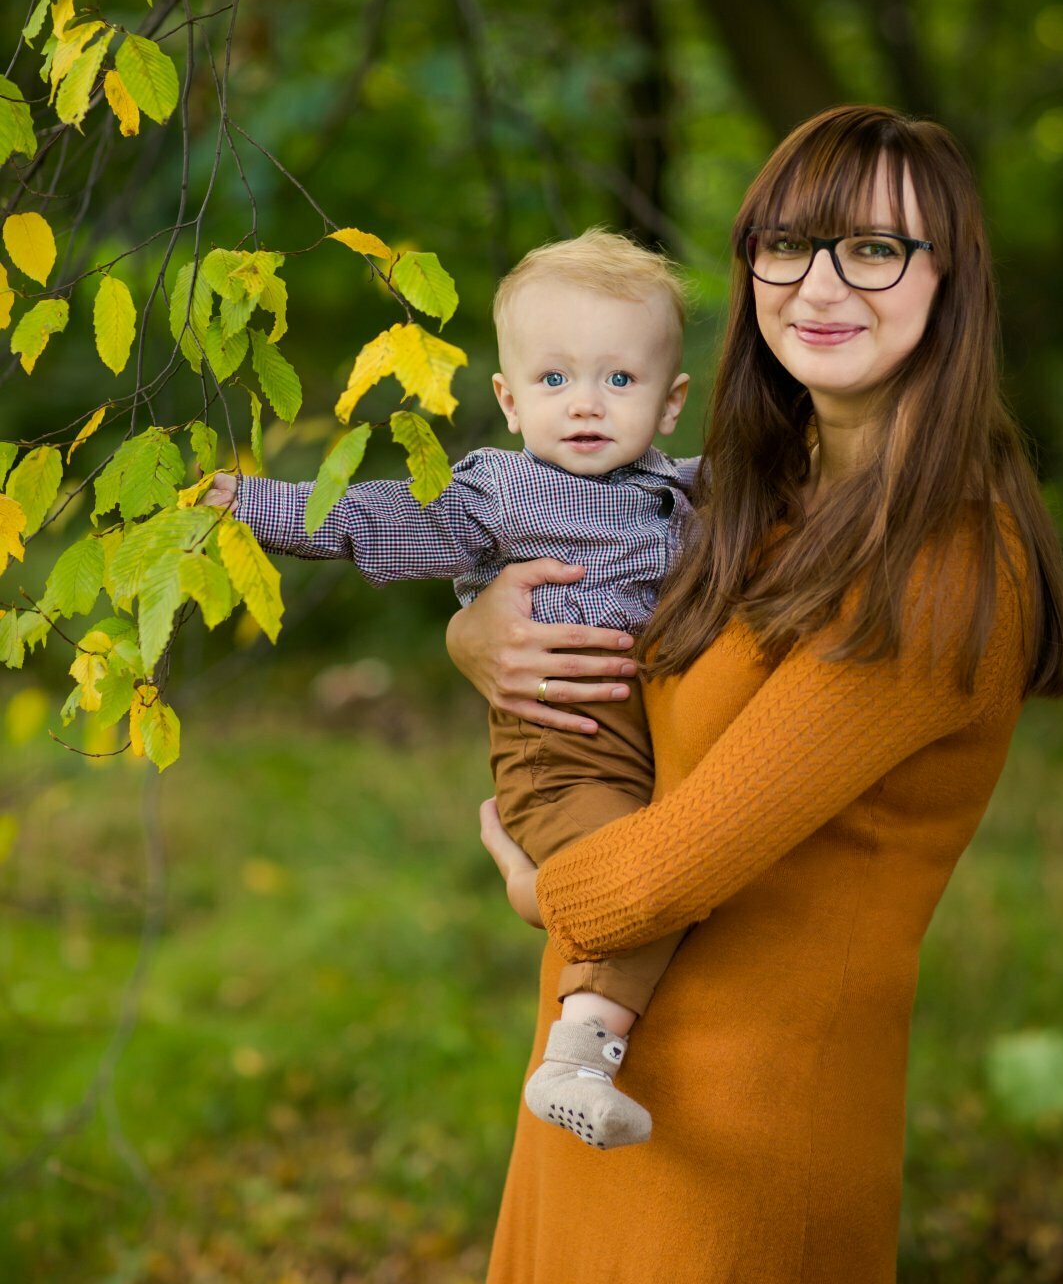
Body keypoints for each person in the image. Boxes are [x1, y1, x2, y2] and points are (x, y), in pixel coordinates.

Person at [452, 105, 1063, 1282]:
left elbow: (668, 870)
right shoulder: (754, 494)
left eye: (876, 249)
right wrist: (474, 633)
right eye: (787, 243)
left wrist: (540, 889)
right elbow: (605, 666)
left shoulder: (946, 557)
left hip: (747, 1126)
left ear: (953, 278)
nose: (821, 284)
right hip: (598, 1077)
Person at [203, 229, 703, 1148]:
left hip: (652, 741)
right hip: (559, 741)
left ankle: (583, 1023)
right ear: (509, 401)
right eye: (554, 382)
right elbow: (376, 515)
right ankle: (577, 1058)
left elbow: (781, 493)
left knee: (664, 868)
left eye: (618, 381)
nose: (585, 405)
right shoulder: (497, 494)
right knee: (631, 880)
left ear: (671, 402)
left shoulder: (681, 492)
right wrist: (255, 505)